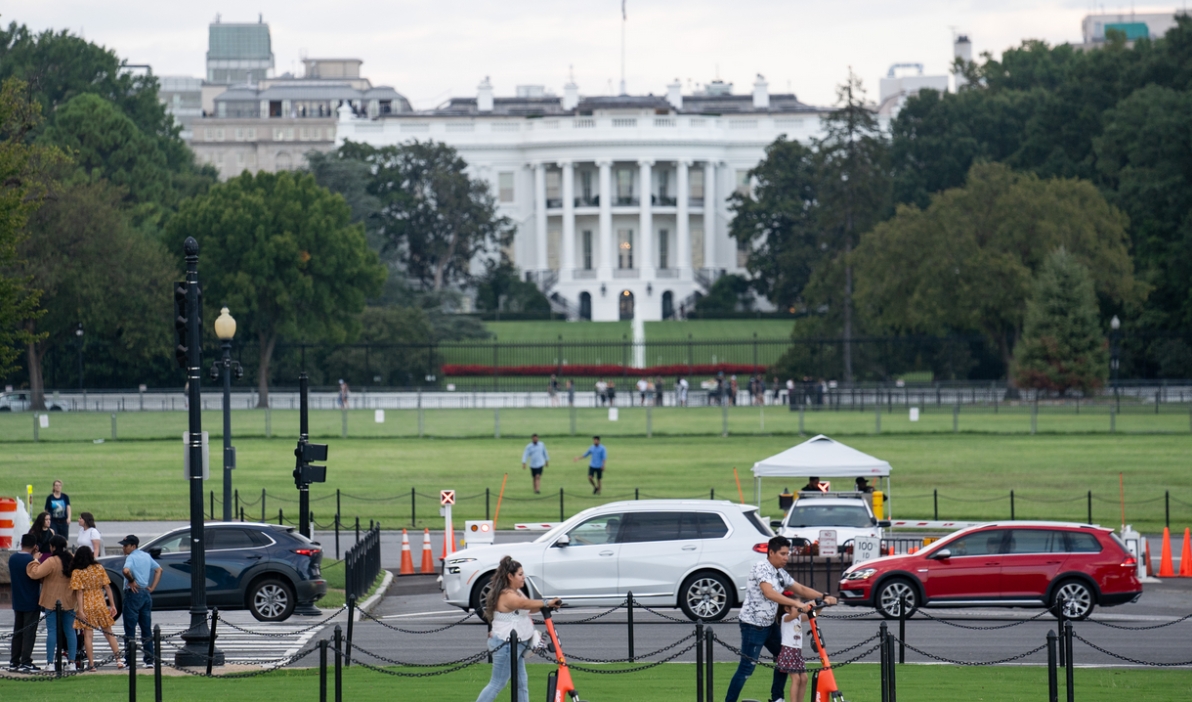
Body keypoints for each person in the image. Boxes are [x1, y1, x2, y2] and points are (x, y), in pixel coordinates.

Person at [725, 536, 835, 702]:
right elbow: (769, 593)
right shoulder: (761, 568)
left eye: (787, 554)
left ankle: (777, 698)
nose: (786, 557)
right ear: (771, 552)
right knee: (746, 668)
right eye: (782, 554)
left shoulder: (780, 573)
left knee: (784, 661)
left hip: (770, 625)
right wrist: (797, 605)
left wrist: (824, 596)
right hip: (752, 625)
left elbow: (801, 589)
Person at [474, 556, 562, 702]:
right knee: (497, 683)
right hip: (506, 645)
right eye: (520, 574)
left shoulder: (515, 591)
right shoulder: (507, 595)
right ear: (510, 576)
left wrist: (548, 604)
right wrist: (546, 602)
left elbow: (529, 609)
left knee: (522, 684)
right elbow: (523, 604)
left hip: (516, 645)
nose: (524, 577)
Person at [27, 536, 77, 670]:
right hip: (69, 600)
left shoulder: (51, 561)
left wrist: (35, 560)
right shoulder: (71, 559)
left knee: (52, 631)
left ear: (53, 547)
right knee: (70, 631)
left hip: (51, 600)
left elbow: (35, 573)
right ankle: (72, 662)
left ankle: (50, 663)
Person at [70, 545, 122, 671]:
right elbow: (107, 587)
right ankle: (118, 660)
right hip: (100, 603)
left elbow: (79, 592)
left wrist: (80, 611)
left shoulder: (77, 572)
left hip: (87, 605)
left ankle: (92, 664)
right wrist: (113, 605)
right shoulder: (99, 568)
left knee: (88, 636)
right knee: (109, 633)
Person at [119, 535, 161, 667]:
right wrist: (152, 587)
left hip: (133, 593)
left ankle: (130, 660)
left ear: (133, 546)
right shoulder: (146, 556)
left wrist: (131, 581)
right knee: (146, 628)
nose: (123, 548)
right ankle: (149, 660)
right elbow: (159, 569)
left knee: (130, 629)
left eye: (126, 545)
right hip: (145, 593)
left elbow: (125, 570)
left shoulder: (131, 557)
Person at [8, 534, 41, 673]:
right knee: (29, 633)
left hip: (17, 600)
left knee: (18, 632)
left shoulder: (12, 559)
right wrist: (36, 560)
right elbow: (37, 575)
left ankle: (14, 661)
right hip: (31, 601)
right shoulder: (31, 561)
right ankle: (26, 661)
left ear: (21, 544)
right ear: (35, 546)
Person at [776, 598, 809, 702]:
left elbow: (812, 615)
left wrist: (820, 605)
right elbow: (794, 614)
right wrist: (803, 607)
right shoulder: (786, 617)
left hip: (797, 652)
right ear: (786, 608)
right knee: (796, 679)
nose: (799, 607)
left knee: (804, 679)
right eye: (795, 606)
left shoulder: (798, 618)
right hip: (788, 651)